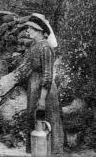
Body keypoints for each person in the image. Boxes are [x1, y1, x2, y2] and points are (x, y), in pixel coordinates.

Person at [19, 18, 64, 155]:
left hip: (45, 89)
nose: (28, 31)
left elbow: (48, 75)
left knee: (49, 120)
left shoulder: (45, 48)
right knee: (35, 120)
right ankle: (37, 152)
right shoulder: (35, 45)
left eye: (31, 29)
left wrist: (42, 98)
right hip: (34, 85)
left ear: (39, 31)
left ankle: (53, 152)